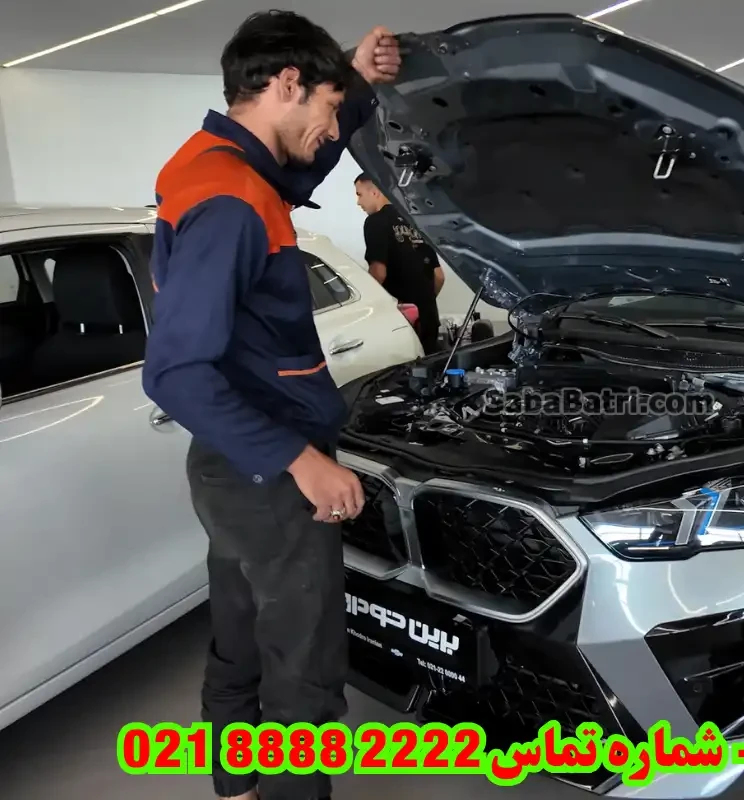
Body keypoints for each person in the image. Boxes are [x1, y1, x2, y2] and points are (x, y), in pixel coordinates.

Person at [141, 11, 400, 800]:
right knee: (304, 670)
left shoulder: (215, 162)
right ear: (287, 82)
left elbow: (292, 169)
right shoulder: (231, 201)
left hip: (233, 464)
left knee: (242, 633)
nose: (334, 134)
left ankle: (237, 788)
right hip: (269, 467)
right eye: (329, 108)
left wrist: (353, 81)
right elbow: (175, 373)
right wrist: (302, 463)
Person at [353, 173, 445, 352]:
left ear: (375, 192)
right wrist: (424, 303)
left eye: (359, 194)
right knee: (431, 367)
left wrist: (366, 308)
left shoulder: (375, 222)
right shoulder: (416, 221)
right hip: (429, 319)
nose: (358, 202)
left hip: (403, 322)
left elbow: (379, 272)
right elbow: (439, 276)